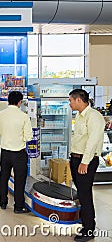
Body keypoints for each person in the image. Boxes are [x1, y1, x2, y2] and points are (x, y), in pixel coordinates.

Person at [68, 89, 104, 242]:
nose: (69, 103)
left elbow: (92, 141)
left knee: (85, 194)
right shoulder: (79, 115)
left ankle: (89, 230)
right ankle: (85, 224)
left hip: (85, 160)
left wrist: (85, 162)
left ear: (78, 100)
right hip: (76, 158)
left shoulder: (94, 117)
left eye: (70, 100)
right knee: (82, 193)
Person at [0, 91, 33, 213]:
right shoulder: (24, 117)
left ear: (8, 101)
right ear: (20, 102)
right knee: (20, 180)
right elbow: (29, 137)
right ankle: (18, 206)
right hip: (19, 153)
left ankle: (3, 202)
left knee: (4, 177)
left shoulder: (0, 115)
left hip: (5, 152)